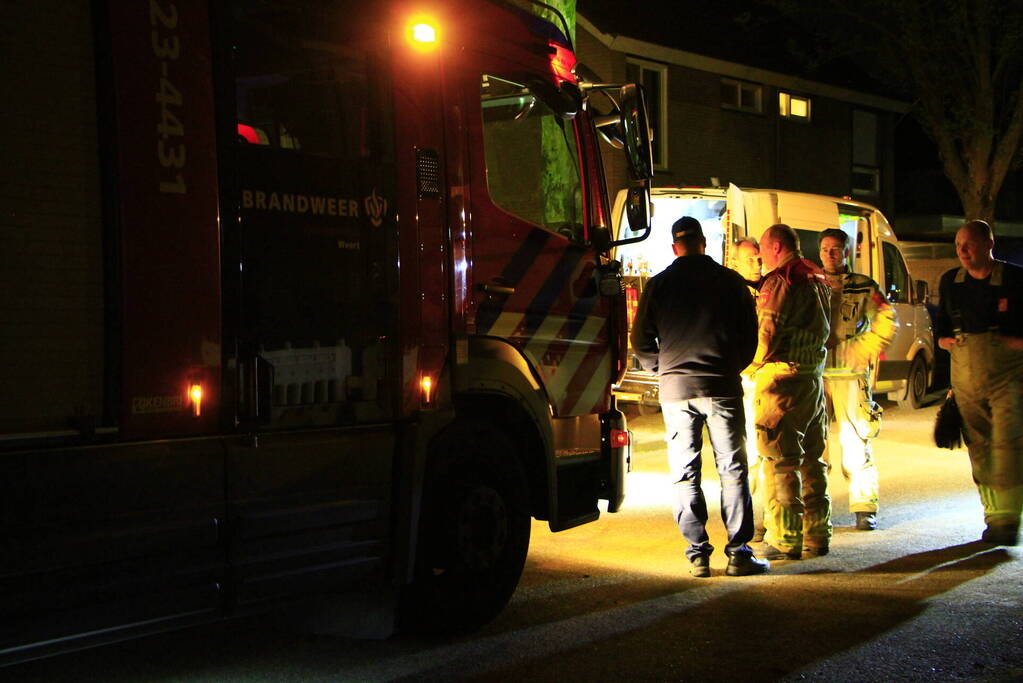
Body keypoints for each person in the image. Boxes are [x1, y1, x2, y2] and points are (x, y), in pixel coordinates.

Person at [631, 216, 768, 577]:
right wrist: (730, 366)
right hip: (721, 386)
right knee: (733, 469)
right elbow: (749, 337)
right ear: (704, 243)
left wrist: (661, 369)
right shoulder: (730, 281)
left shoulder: (658, 285)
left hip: (676, 391)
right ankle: (739, 553)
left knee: (684, 472)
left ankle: (697, 555)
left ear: (675, 247)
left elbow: (640, 340)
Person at [935, 220, 1023, 546]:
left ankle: (1009, 520)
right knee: (980, 448)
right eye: (958, 246)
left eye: (968, 245)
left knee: (1009, 446)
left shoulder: (1015, 279)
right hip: (966, 378)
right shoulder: (950, 282)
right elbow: (942, 328)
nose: (962, 252)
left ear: (989, 244)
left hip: (1009, 378)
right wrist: (945, 344)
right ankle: (993, 516)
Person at [749, 224, 832, 560]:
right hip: (813, 378)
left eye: (764, 251)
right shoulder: (816, 275)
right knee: (813, 460)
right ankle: (817, 534)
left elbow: (767, 332)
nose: (761, 258)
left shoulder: (782, 280)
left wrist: (749, 365)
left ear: (778, 246)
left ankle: (785, 538)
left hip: (782, 383)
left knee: (780, 460)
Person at [819, 228, 898, 531]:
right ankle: (815, 506)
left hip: (850, 376)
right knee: (814, 443)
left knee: (855, 440)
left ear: (847, 252)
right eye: (825, 249)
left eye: (836, 249)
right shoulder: (811, 282)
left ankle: (865, 507)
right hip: (815, 373)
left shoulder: (864, 286)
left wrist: (866, 347)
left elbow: (886, 317)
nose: (830, 254)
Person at [730, 238, 767, 541]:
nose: (757, 263)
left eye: (759, 257)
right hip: (743, 379)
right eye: (750, 258)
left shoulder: (773, 287)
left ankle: (766, 518)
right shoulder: (729, 290)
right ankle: (750, 519)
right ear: (735, 260)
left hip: (769, 378)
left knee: (770, 449)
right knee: (747, 453)